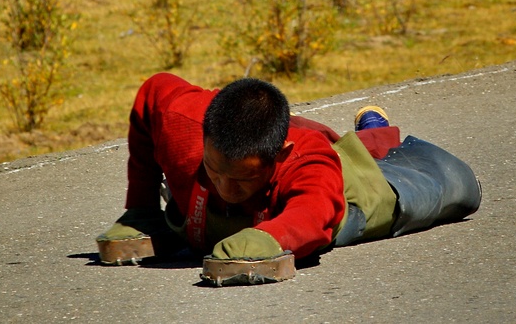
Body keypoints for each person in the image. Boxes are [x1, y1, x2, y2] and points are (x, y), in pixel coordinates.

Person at [95, 73, 482, 283]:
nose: (225, 191)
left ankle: (376, 127)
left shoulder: (306, 158)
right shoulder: (184, 123)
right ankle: (369, 127)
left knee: (454, 185)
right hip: (276, 135)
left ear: (279, 157)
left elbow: (314, 212)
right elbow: (153, 91)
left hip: (350, 195)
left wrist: (272, 237)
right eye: (214, 172)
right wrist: (140, 208)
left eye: (241, 182)